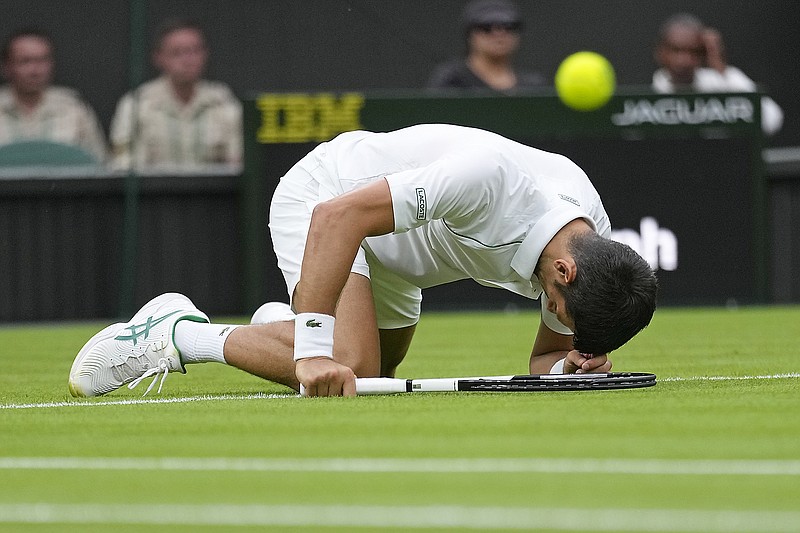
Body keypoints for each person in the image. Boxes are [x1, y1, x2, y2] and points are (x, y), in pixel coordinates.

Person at [68, 124, 658, 398]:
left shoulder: (588, 239)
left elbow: (545, 359)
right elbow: (337, 219)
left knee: (371, 376)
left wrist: (570, 369)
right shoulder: (490, 181)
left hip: (401, 254)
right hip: (329, 200)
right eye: (559, 307)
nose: (552, 314)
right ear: (566, 272)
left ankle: (291, 318)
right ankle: (176, 333)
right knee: (346, 362)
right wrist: (314, 352)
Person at [109, 19, 242, 172]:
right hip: (154, 193)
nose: (187, 60)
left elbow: (239, 162)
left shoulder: (223, 102)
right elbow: (123, 164)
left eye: (194, 51)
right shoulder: (137, 104)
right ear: (159, 58)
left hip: (215, 193)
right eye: (177, 53)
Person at [652, 13, 783, 136]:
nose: (684, 60)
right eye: (676, 50)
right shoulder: (650, 97)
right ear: (660, 52)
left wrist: (722, 70)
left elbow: (771, 120)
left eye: (694, 51)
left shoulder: (719, 83)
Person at [0, 28, 107, 162]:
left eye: (42, 60)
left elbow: (99, 164)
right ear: (6, 67)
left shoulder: (73, 109)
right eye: (25, 61)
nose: (35, 71)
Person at [427, 0, 544, 92]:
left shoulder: (533, 85)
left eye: (509, 26)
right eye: (486, 27)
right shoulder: (451, 81)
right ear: (470, 34)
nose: (499, 33)